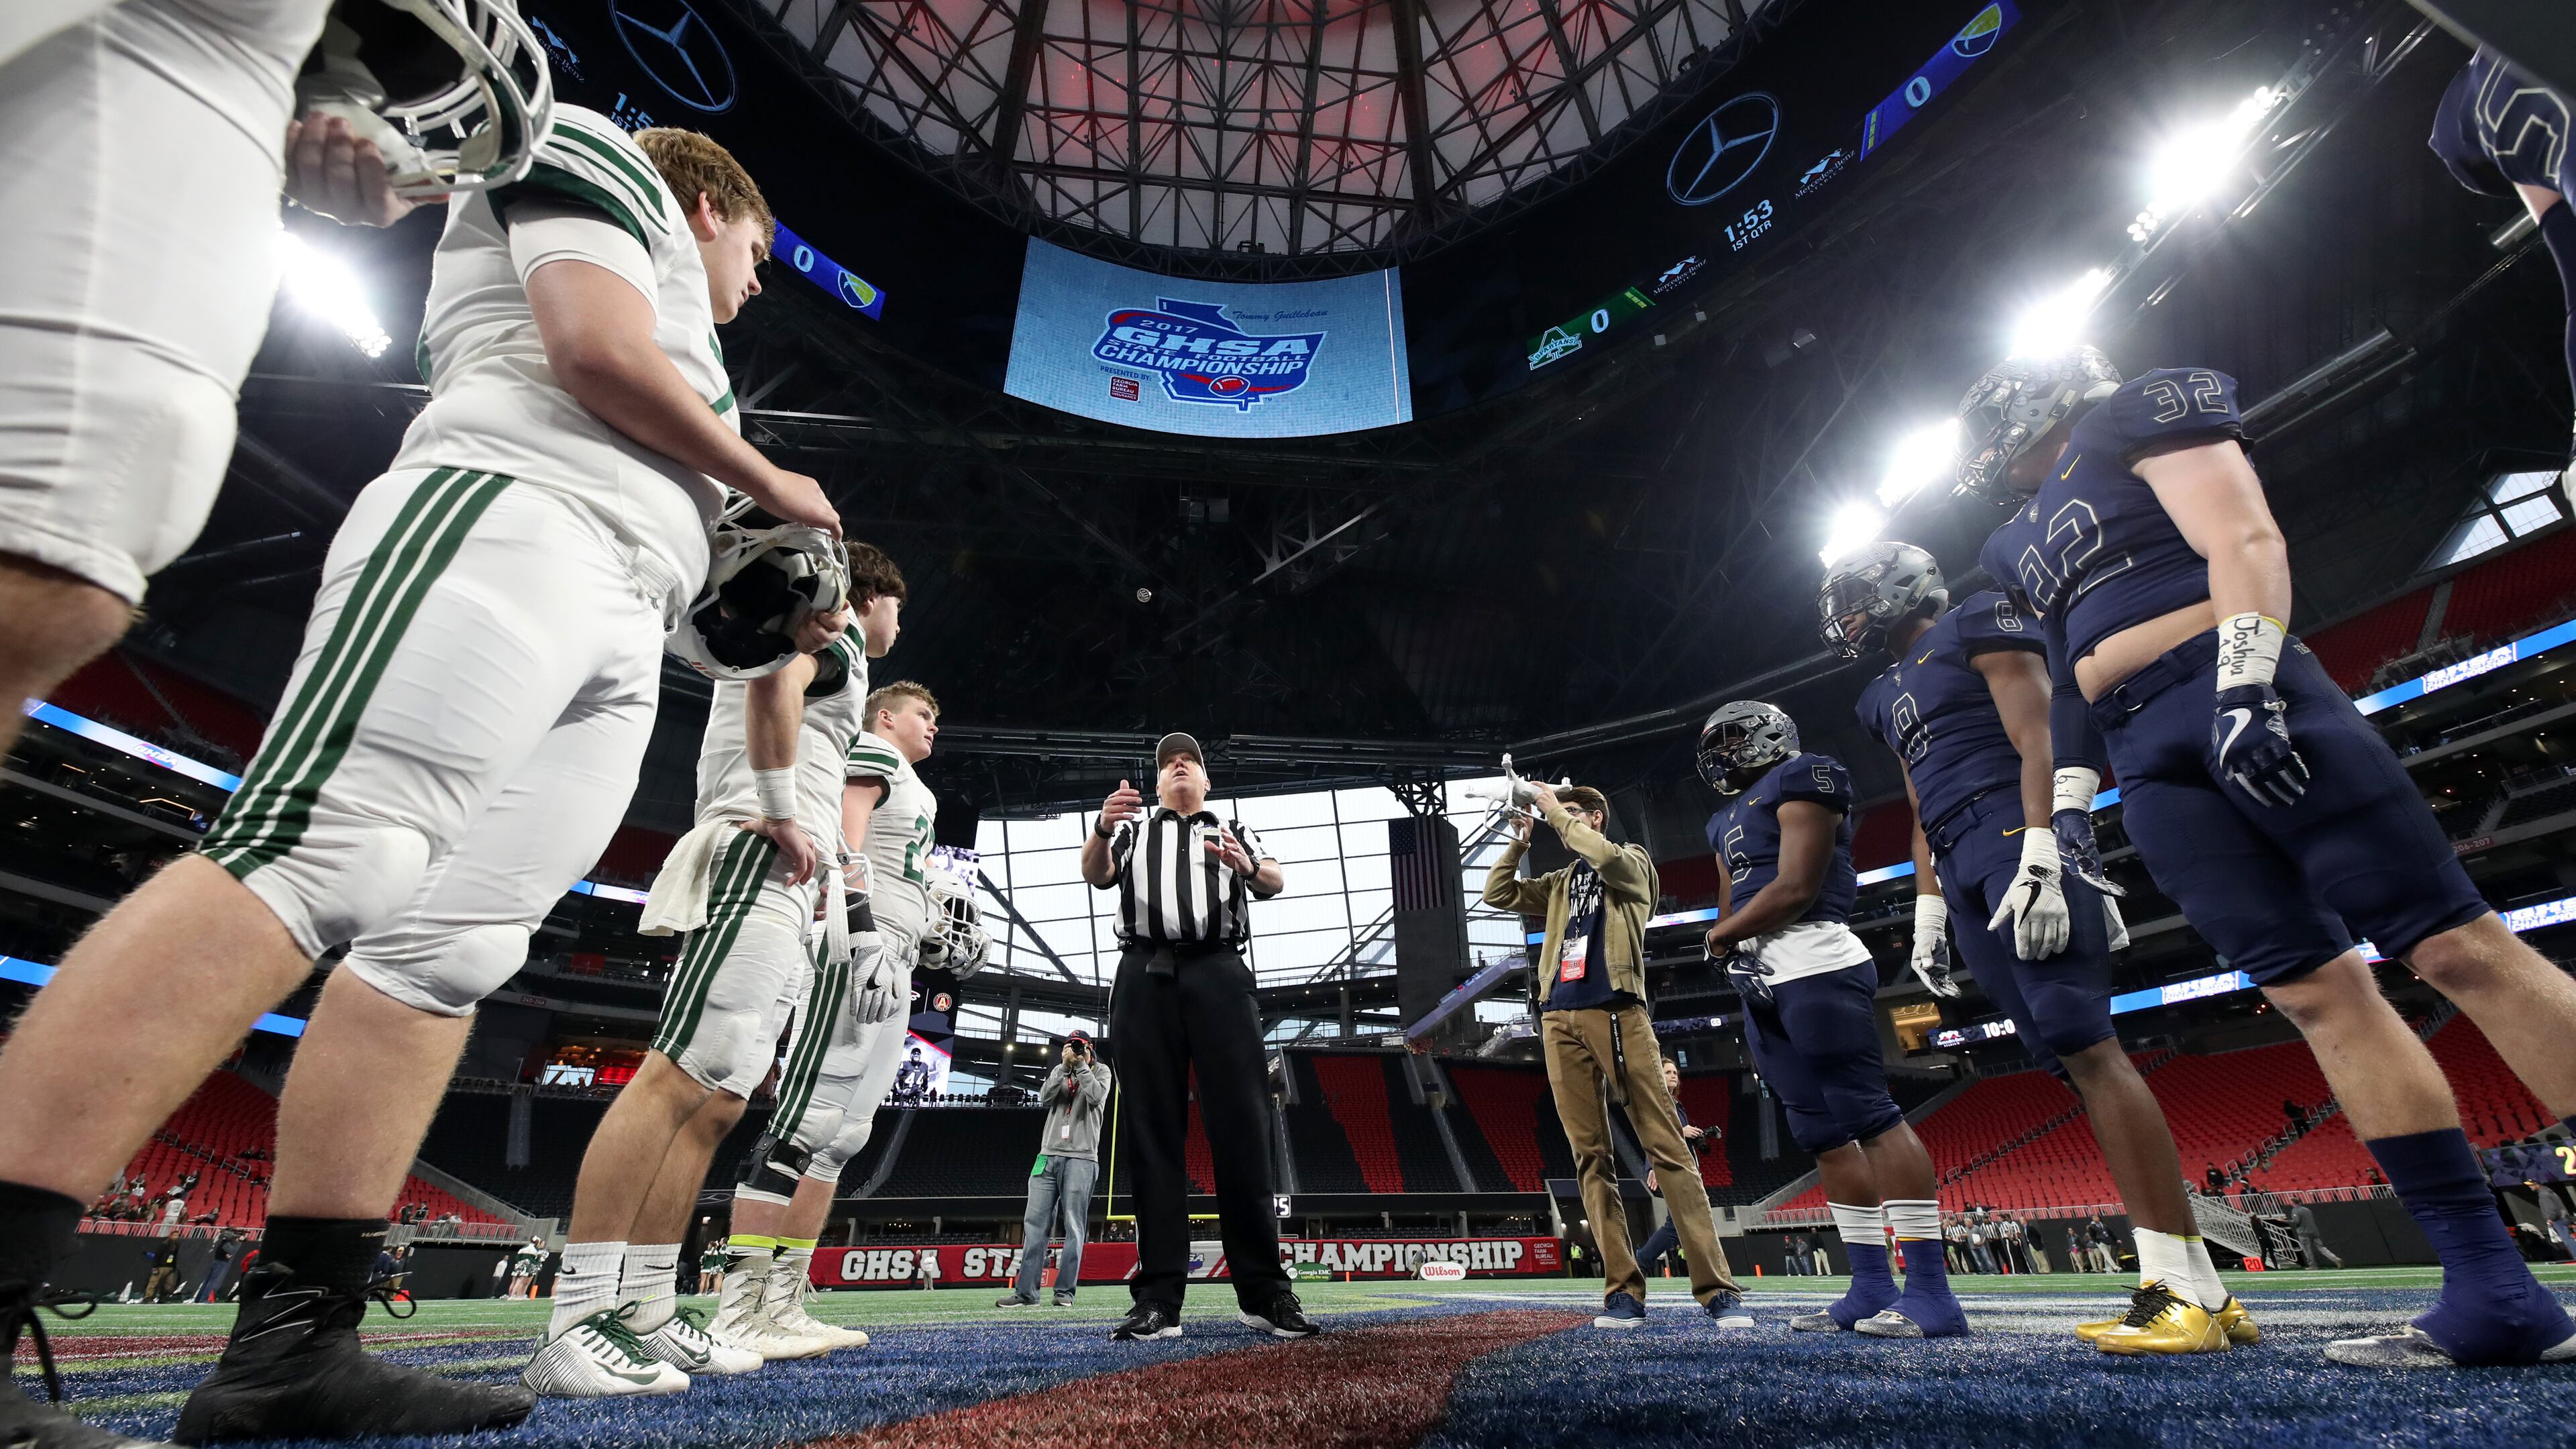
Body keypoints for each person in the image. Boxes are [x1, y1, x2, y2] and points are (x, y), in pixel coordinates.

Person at [0, 99, 845, 1441]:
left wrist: (746, 584)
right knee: (319, 851)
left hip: (619, 603)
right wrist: (771, 482)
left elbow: (663, 467)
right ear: (712, 204)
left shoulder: (698, 347)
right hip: (504, 516)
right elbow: (590, 348)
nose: (753, 285)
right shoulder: (594, 148)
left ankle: (292, 1344)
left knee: (448, 951)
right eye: (757, 252)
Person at [1958, 345, 2576, 1369]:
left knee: (2457, 948)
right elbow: (2067, 678)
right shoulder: (2005, 544)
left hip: (2233, 682)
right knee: (2318, 997)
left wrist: (2249, 682)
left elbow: (2242, 531)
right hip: (2144, 750)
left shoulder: (2137, 410)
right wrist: (2070, 806)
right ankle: (2494, 1293)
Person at [1827, 541, 2254, 1352]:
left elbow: (2041, 734)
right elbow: (1919, 804)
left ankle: (2174, 1290)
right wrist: (1927, 906)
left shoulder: (1975, 619)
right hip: (1960, 858)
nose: (1842, 615)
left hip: (2008, 826)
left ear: (1899, 587)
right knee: (2068, 1054)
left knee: (2090, 1045)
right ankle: (2205, 1290)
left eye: (1852, 594)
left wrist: (2048, 845)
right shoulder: (1880, 693)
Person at [531, 571, 898, 1397]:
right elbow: (777, 678)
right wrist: (775, 805)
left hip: (786, 873)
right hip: (758, 853)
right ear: (875, 596)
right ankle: (580, 1315)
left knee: (722, 1097)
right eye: (900, 608)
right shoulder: (835, 634)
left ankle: (650, 1307)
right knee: (685, 1074)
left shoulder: (838, 650)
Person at [1697, 702, 1960, 1338]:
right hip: (1759, 975)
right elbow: (1734, 895)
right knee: (1818, 1132)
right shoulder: (1720, 820)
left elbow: (1796, 887)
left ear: (1771, 733)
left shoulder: (1806, 775)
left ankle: (1931, 1292)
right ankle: (1870, 1285)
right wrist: (1729, 944)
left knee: (1868, 1115)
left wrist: (1719, 938)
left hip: (1815, 955)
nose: (1721, 752)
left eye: (1733, 739)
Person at [718, 680, 939, 1354]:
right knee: (805, 1121)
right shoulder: (874, 751)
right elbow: (849, 833)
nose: (934, 727)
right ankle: (738, 1307)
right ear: (887, 716)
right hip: (856, 946)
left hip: (895, 956)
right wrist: (863, 924)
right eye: (924, 715)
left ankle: (782, 1301)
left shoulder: (912, 783)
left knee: (843, 1137)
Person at [1486, 783, 1748, 1331]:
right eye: (1563, 810)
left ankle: (1717, 1289)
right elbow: (1498, 894)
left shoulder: (1630, 861)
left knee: (1667, 1145)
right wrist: (1518, 842)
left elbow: (1602, 855)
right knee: (1589, 1157)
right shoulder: (1559, 883)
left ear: (1597, 818)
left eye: (1576, 810)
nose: (1563, 817)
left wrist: (1554, 811)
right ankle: (1622, 1291)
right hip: (1559, 1017)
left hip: (1618, 1012)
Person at [1084, 733, 1311, 1342]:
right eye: (1166, 763)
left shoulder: (1233, 826)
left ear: (1207, 781)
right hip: (1144, 972)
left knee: (1242, 1126)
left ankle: (1265, 1293)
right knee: (1152, 1130)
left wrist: (1247, 866)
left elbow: (1275, 881)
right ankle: (1158, 1297)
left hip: (1219, 972)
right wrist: (1102, 829)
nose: (1177, 764)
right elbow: (1097, 876)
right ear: (1157, 786)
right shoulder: (1132, 832)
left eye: (1189, 760)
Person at [997, 1033, 1112, 1308]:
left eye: (1079, 1046)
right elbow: (1045, 1097)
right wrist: (1063, 1068)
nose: (1073, 1050)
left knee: (1074, 1227)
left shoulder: (1102, 1071)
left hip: (1081, 1157)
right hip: (1048, 1155)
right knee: (1034, 1226)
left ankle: (1064, 1292)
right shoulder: (1060, 1071)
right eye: (1069, 1046)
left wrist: (1082, 1066)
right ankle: (1026, 1293)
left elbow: (1096, 1097)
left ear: (1089, 1048)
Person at [1631, 1058, 1718, 1278]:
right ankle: (1641, 1261)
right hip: (1673, 1170)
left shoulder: (1675, 1104)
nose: (1673, 1075)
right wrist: (1653, 1167)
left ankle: (1715, 1274)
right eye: (1668, 1071)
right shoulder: (1656, 1102)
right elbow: (1651, 1135)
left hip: (1684, 1169)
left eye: (1675, 1072)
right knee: (1686, 1225)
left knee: (1689, 1226)